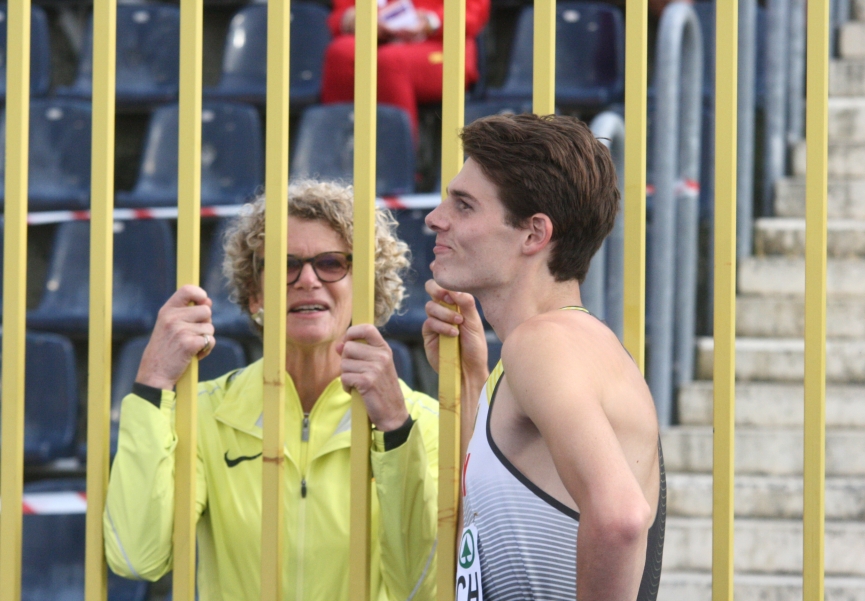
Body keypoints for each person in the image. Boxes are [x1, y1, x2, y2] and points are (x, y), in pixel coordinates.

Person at [104, 180, 440, 601]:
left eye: (332, 263)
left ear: (368, 287)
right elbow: (137, 557)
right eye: (284, 265)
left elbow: (425, 588)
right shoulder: (206, 412)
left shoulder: (420, 423)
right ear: (255, 294)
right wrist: (152, 383)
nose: (307, 280)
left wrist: (393, 428)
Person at [420, 113, 665, 601]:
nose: (434, 217)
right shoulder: (553, 345)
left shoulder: (543, 344)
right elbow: (500, 521)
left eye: (464, 206)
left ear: (533, 235)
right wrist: (473, 380)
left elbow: (620, 519)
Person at [320, 0, 490, 140]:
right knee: (341, 52)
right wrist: (354, 19)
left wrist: (430, 21)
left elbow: (474, 14)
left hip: (442, 45)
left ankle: (398, 164)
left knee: (391, 61)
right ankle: (335, 154)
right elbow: (339, 15)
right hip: (377, 37)